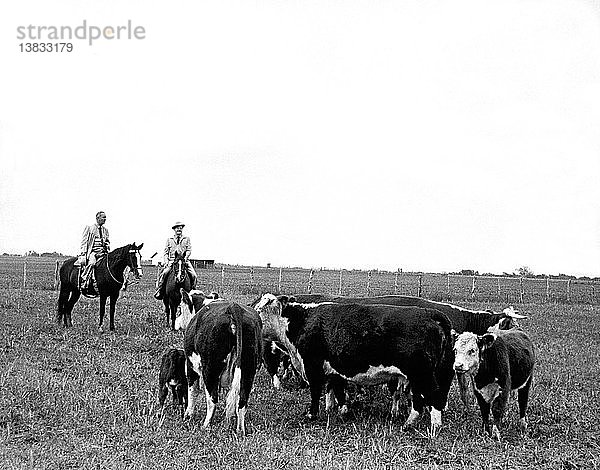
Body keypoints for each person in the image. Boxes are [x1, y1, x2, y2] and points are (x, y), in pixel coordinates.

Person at [154, 221, 197, 299]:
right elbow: (166, 252)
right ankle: (160, 290)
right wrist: (166, 261)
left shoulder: (186, 239)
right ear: (174, 229)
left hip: (184, 260)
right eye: (177, 228)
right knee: (164, 273)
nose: (179, 229)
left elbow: (189, 250)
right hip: (172, 260)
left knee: (194, 275)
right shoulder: (169, 240)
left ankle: (193, 290)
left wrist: (186, 257)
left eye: (180, 228)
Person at [79, 211, 110, 292]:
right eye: (103, 217)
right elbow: (84, 241)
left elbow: (107, 241)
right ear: (97, 218)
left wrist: (107, 246)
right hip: (93, 252)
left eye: (105, 217)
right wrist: (83, 253)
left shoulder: (105, 230)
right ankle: (84, 280)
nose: (105, 219)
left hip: (102, 253)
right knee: (92, 263)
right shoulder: (89, 228)